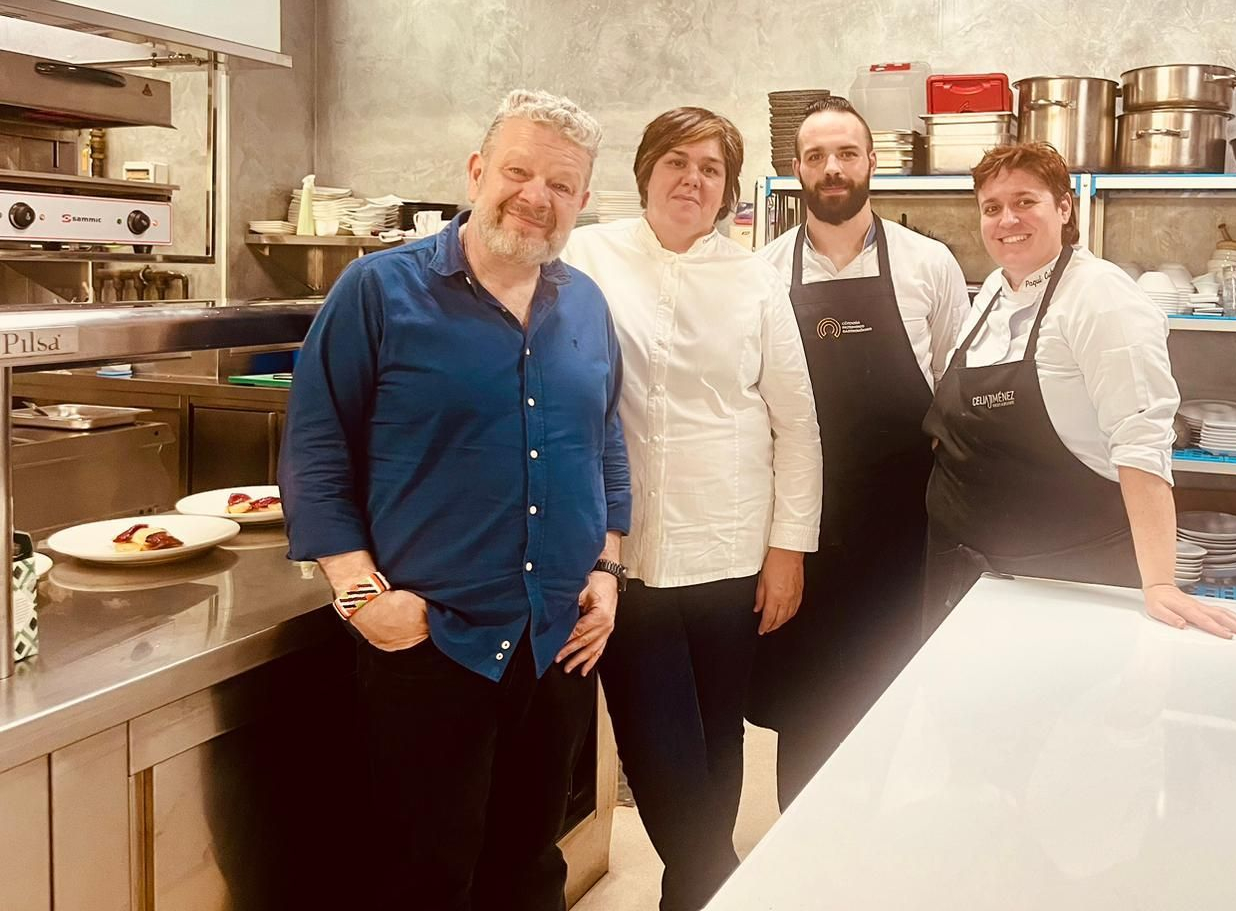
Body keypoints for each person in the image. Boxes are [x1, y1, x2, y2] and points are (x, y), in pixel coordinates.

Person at [281, 89, 632, 911]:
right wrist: (360, 595)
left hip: (555, 641)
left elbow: (606, 439)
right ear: (477, 172)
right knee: (427, 878)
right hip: (431, 644)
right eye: (518, 171)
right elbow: (315, 446)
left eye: (561, 184)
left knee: (529, 868)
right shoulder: (378, 290)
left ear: (582, 200)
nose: (536, 196)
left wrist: (608, 568)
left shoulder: (584, 303)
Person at [560, 107, 821, 911]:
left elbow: (796, 422)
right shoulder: (586, 256)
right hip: (621, 553)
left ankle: (694, 895)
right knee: (659, 744)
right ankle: (720, 883)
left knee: (716, 737)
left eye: (711, 168)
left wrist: (788, 550)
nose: (692, 179)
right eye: (677, 161)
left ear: (728, 190)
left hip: (731, 545)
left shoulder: (754, 278)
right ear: (646, 172)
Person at [923, 141, 1236, 640]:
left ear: (1064, 207)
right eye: (992, 208)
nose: (1007, 219)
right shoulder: (993, 289)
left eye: (1025, 201)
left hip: (1066, 574)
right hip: (969, 569)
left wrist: (1159, 582)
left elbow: (1141, 441)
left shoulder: (1100, 296)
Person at [748, 95, 971, 807]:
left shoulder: (928, 264)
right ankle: (805, 844)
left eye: (847, 153)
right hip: (802, 528)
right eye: (817, 156)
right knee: (806, 703)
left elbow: (957, 388)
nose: (833, 169)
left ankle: (876, 843)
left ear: (872, 162)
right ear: (796, 170)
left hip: (904, 528)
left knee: (896, 697)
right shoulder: (763, 272)